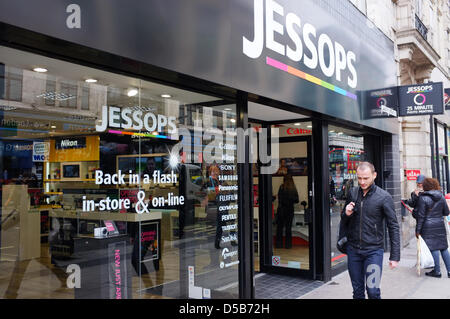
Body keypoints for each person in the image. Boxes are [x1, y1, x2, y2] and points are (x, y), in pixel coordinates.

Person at [341, 161, 400, 299]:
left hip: (373, 251)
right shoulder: (352, 192)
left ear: (374, 175)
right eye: (359, 178)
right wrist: (346, 214)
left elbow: (393, 226)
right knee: (357, 291)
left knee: (372, 291)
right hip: (354, 250)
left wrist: (395, 256)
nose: (362, 182)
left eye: (366, 178)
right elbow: (344, 219)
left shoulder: (384, 197)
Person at [415, 177, 450, 278]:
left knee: (433, 248)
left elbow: (421, 216)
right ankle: (449, 271)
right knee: (443, 248)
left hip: (427, 226)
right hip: (439, 224)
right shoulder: (441, 196)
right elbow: (447, 212)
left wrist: (418, 231)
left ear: (425, 186)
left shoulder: (423, 198)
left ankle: (437, 271)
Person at [275, 174, 299, 249]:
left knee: (279, 228)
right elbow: (297, 200)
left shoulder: (281, 187)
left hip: (281, 209)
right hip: (290, 210)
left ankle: (279, 245)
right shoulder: (293, 188)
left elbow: (279, 199)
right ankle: (288, 245)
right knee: (288, 228)